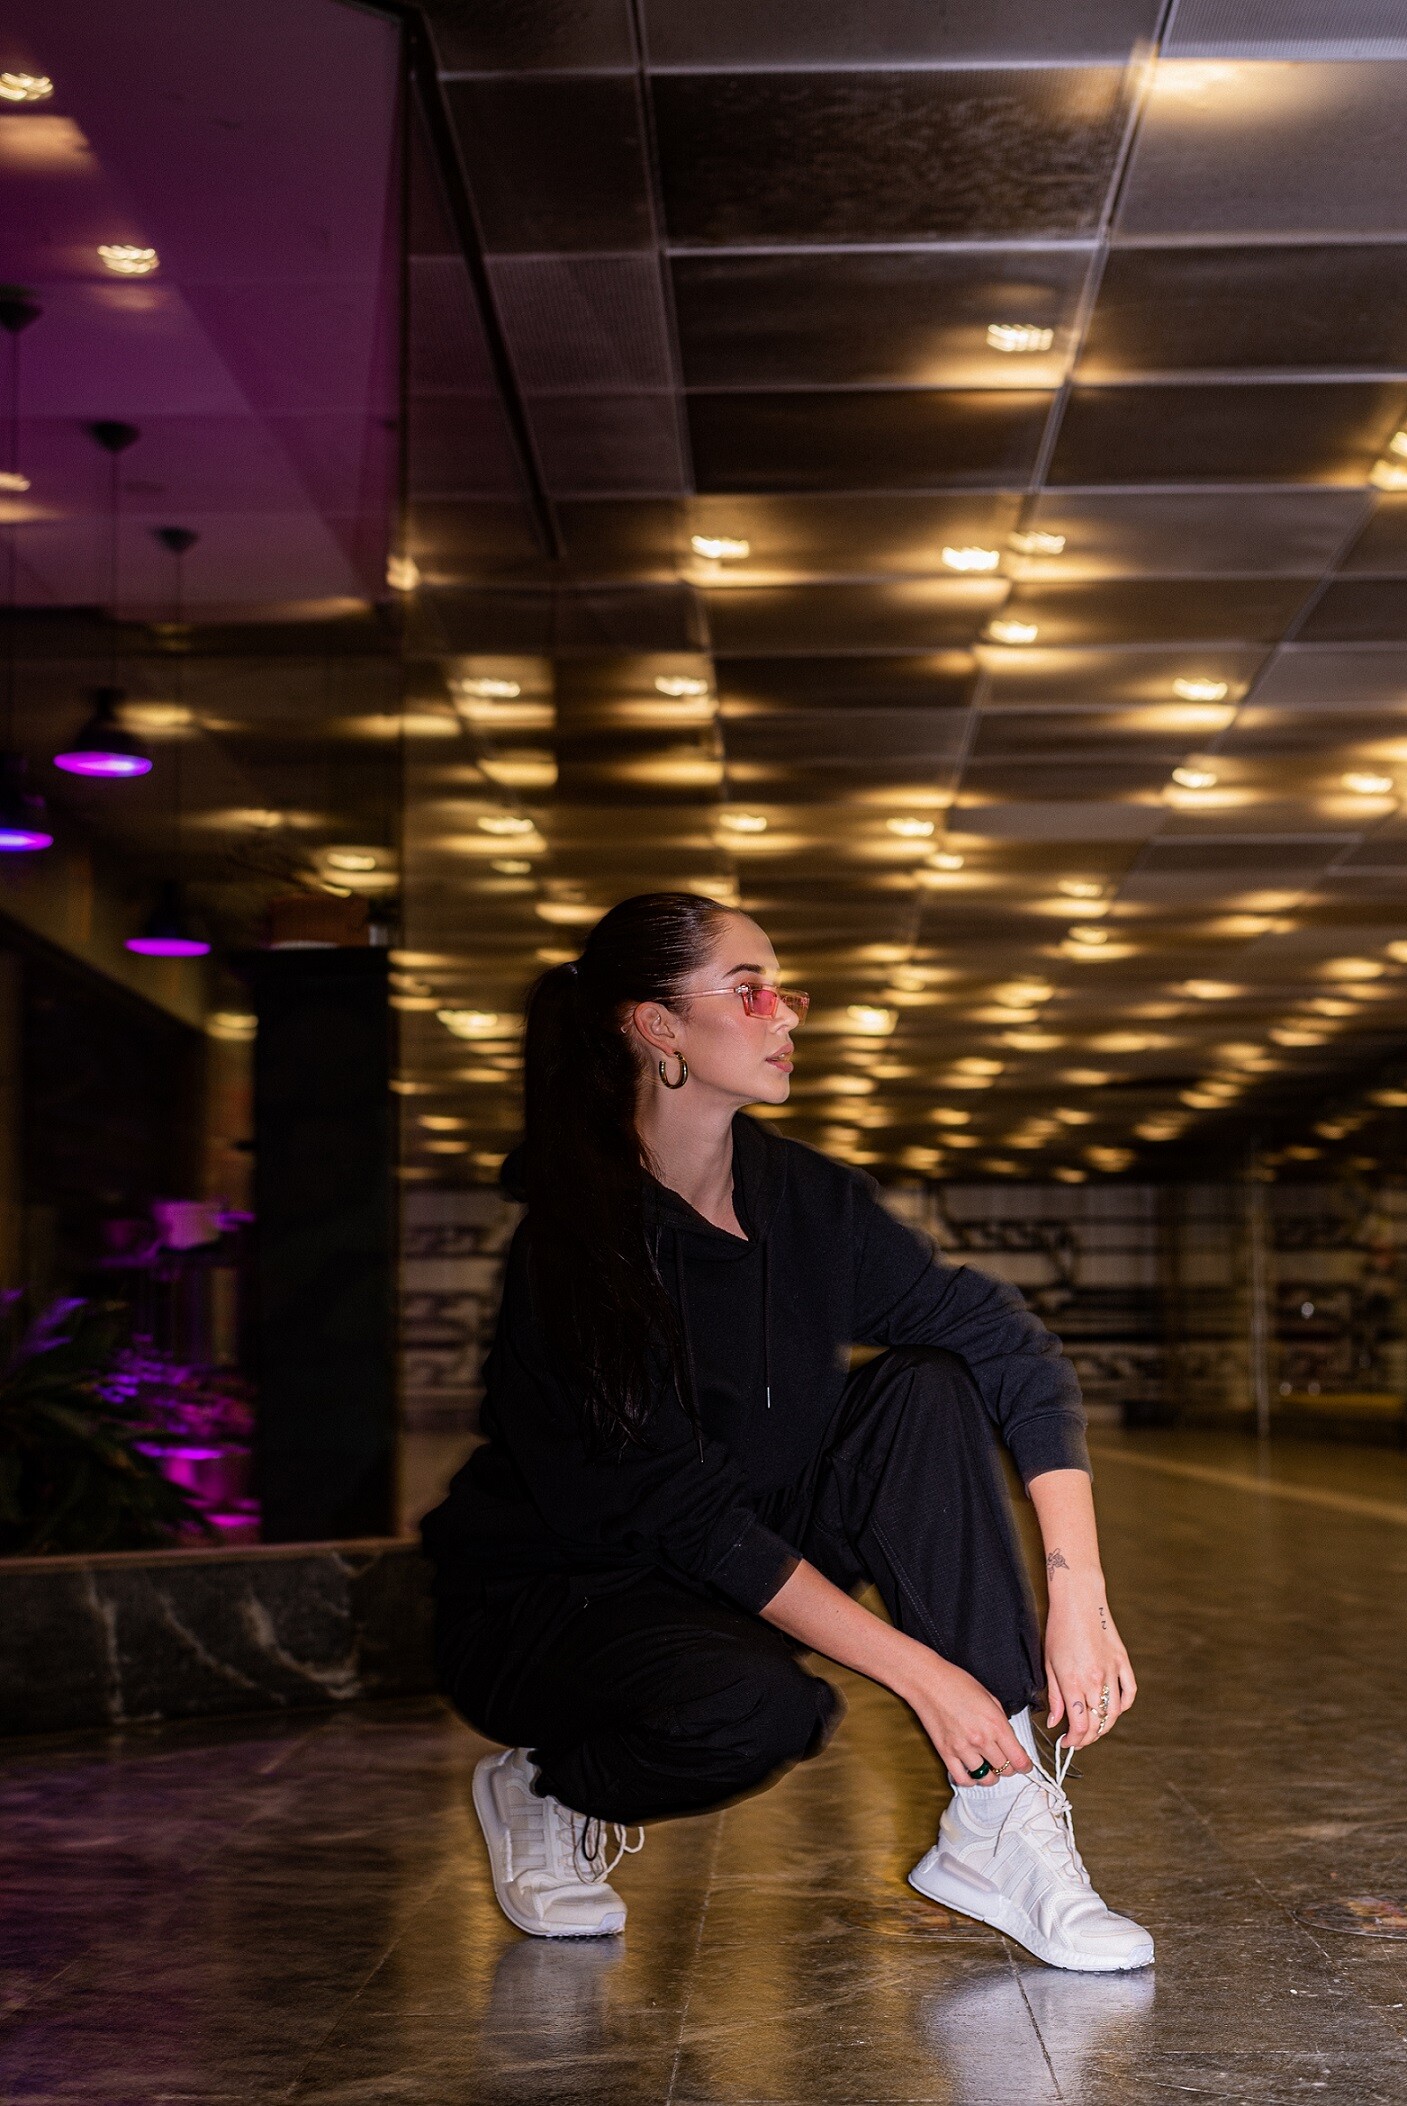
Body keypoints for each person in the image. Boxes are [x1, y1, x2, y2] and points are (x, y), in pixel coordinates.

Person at [421, 892, 1152, 1972]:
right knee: (757, 1714)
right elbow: (686, 1518)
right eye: (749, 992)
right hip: (556, 1607)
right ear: (658, 1027)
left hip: (734, 1567)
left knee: (928, 1385)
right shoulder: (575, 1251)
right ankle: (544, 1783)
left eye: (784, 993)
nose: (788, 1016)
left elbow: (1009, 1344)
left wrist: (1077, 1596)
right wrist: (925, 1676)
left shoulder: (807, 1201)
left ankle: (996, 1810)